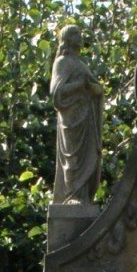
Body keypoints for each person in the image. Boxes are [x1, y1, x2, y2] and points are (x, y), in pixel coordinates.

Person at [50, 24, 103, 205]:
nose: (80, 36)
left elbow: (95, 89)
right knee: (72, 157)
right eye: (74, 33)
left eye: (79, 33)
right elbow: (56, 91)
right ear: (66, 39)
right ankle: (71, 195)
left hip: (86, 116)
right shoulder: (62, 62)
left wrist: (95, 88)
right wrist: (79, 86)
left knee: (87, 156)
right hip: (71, 117)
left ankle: (83, 195)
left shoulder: (80, 65)